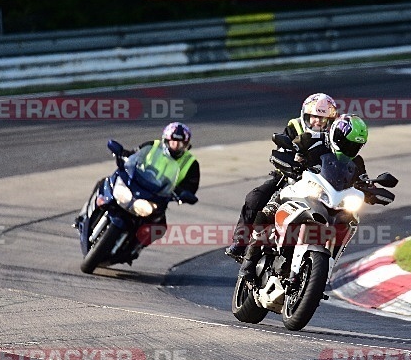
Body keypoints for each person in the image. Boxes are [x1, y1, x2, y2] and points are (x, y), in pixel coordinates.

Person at [238, 114, 369, 282]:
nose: (349, 148)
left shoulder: (356, 162)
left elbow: (363, 180)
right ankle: (249, 261)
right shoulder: (313, 139)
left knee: (351, 219)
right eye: (346, 143)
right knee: (269, 209)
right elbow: (289, 149)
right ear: (336, 134)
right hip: (302, 186)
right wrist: (291, 160)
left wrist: (372, 189)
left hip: (331, 199)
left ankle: (325, 271)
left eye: (355, 146)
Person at [224, 93, 338, 260]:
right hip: (287, 176)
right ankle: (240, 243)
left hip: (319, 183)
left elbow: (343, 158)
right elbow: (281, 149)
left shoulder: (334, 135)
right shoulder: (295, 126)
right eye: (313, 117)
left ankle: (327, 258)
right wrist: (289, 162)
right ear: (305, 115)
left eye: (323, 118)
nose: (318, 121)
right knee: (254, 198)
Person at [73, 122, 200, 244]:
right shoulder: (153, 146)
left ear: (186, 144)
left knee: (159, 228)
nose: (176, 146)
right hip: (135, 184)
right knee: (104, 184)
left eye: (180, 143)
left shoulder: (191, 163)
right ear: (166, 140)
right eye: (173, 142)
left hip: (157, 197)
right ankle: (83, 216)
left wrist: (183, 193)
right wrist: (123, 154)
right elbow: (134, 155)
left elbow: (191, 187)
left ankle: (134, 248)